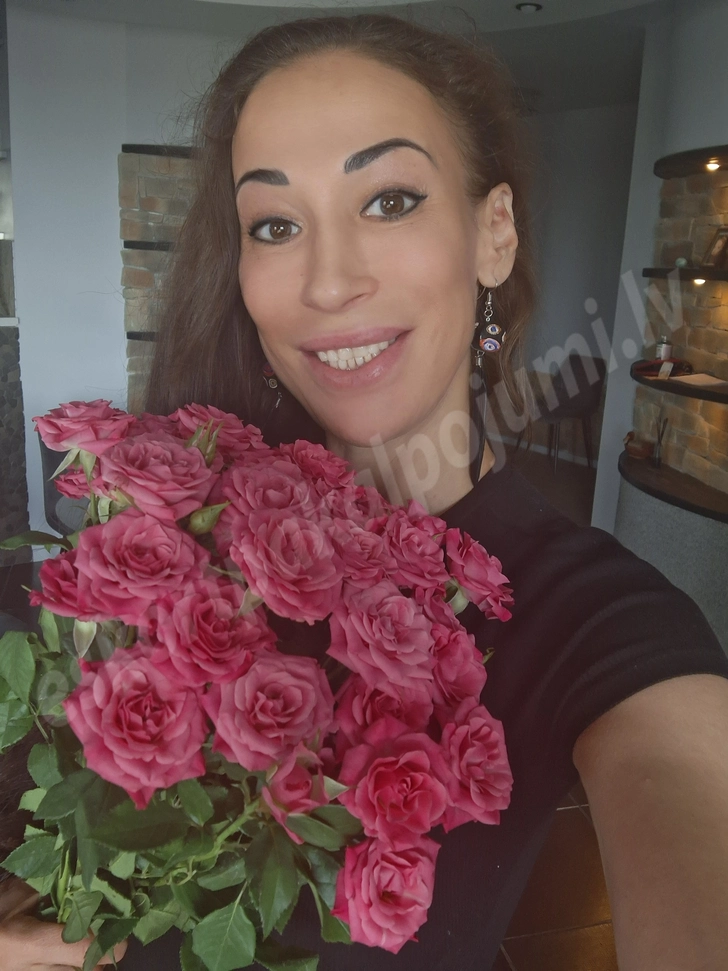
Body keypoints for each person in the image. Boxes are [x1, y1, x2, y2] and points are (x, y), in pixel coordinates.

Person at [2, 12, 728, 971]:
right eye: (276, 224)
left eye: (389, 200)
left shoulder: (597, 618)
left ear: (494, 233)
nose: (330, 281)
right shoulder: (167, 524)